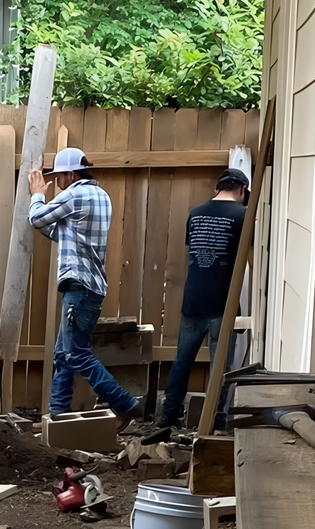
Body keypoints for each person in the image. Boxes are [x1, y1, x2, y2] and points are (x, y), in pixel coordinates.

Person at [26, 148, 143, 424]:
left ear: (71, 174)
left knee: (76, 353)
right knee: (63, 354)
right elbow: (63, 232)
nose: (57, 183)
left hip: (78, 286)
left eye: (59, 177)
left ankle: (125, 403)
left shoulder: (75, 194)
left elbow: (37, 218)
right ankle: (58, 415)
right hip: (92, 286)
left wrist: (37, 195)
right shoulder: (101, 196)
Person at [138, 169, 249, 440]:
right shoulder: (243, 215)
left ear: (217, 188)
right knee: (220, 366)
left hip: (193, 301)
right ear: (243, 190)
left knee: (182, 361)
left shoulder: (196, 213)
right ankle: (218, 419)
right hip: (222, 304)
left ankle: (168, 415)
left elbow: (196, 255)